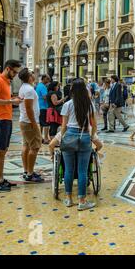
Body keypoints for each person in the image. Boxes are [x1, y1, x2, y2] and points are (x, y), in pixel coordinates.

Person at [60, 78, 97, 211]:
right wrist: (92, 137)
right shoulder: (90, 104)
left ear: (72, 90)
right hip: (84, 136)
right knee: (82, 171)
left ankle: (69, 198)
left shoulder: (67, 104)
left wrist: (61, 138)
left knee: (68, 170)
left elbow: (63, 126)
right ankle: (82, 201)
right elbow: (94, 125)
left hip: (69, 135)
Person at [0, 60, 22, 192]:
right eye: (14, 72)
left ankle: (0, 179)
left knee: (3, 151)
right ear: (8, 69)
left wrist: (13, 99)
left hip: (6, 119)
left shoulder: (7, 82)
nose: (15, 74)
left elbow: (4, 99)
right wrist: (10, 101)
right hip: (0, 119)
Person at [18, 68, 44, 183]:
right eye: (32, 74)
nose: (34, 75)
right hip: (29, 122)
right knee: (35, 147)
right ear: (29, 77)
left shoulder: (24, 87)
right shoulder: (28, 89)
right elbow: (29, 108)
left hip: (25, 121)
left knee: (26, 146)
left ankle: (26, 171)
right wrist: (34, 123)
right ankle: (30, 173)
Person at [35, 74, 51, 144]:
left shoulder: (38, 86)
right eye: (47, 79)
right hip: (44, 107)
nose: (48, 80)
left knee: (41, 124)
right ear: (43, 79)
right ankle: (46, 139)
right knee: (46, 124)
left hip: (39, 107)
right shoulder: (43, 87)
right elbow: (45, 97)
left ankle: (40, 138)